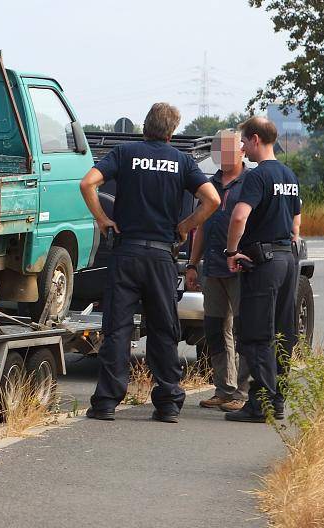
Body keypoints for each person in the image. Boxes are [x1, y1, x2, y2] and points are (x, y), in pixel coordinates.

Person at [80, 103, 220, 423]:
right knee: (163, 329)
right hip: (161, 257)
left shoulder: (124, 153)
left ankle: (106, 403)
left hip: (126, 253)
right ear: (172, 132)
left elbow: (87, 183)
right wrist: (185, 226)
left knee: (117, 329)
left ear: (144, 126)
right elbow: (212, 199)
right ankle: (168, 403)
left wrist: (102, 219)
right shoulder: (183, 161)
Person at [223, 116, 301, 423]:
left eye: (244, 141)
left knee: (256, 334)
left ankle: (261, 405)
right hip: (288, 260)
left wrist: (232, 251)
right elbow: (296, 223)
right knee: (282, 333)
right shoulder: (289, 174)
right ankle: (277, 401)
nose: (242, 148)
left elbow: (239, 216)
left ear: (256, 139)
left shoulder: (258, 176)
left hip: (264, 262)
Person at [185, 130, 251, 412]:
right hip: (212, 268)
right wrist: (192, 264)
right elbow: (201, 228)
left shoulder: (251, 182)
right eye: (219, 150)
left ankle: (243, 393)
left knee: (244, 331)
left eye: (230, 149)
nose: (224, 155)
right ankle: (224, 389)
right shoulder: (210, 184)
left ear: (243, 151)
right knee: (215, 328)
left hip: (240, 269)